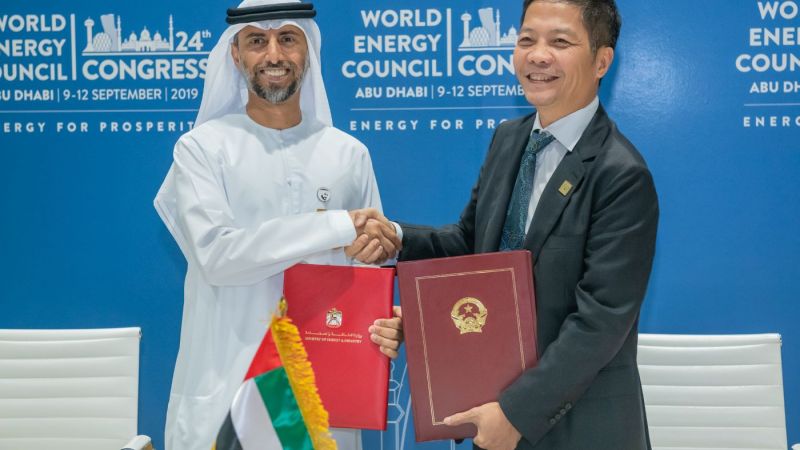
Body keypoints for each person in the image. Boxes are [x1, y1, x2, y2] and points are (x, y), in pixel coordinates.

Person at [354, 0, 658, 448]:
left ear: (601, 61)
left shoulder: (621, 174)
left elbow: (599, 322)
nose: (538, 55)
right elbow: (472, 246)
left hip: (578, 429)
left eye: (560, 42)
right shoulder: (508, 140)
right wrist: (396, 238)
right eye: (526, 39)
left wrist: (514, 414)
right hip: (491, 412)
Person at [153, 1, 402, 449]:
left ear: (308, 51)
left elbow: (366, 278)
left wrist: (385, 322)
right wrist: (336, 226)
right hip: (228, 388)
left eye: (288, 39)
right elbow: (218, 257)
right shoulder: (201, 150)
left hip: (321, 397)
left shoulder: (349, 154)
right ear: (235, 55)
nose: (273, 54)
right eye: (256, 41)